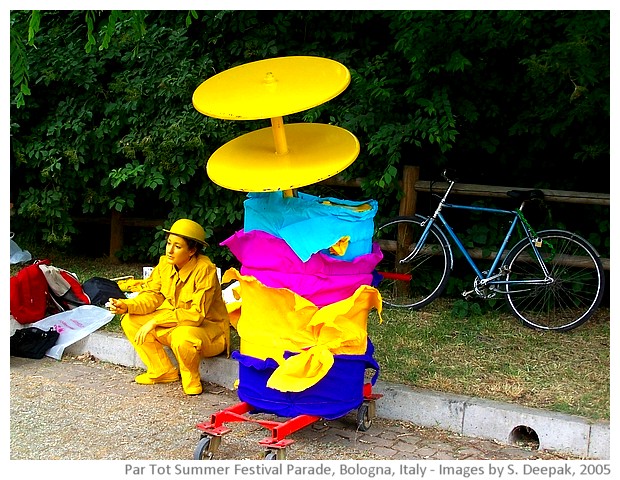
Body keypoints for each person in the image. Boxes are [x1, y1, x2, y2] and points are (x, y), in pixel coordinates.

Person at [108, 219, 229, 395]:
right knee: (130, 320)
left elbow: (196, 315)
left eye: (177, 246)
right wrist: (126, 305)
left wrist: (156, 321)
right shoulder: (165, 264)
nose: (170, 250)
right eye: (169, 243)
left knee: (183, 336)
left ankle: (191, 379)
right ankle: (162, 371)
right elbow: (153, 295)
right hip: (176, 322)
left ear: (192, 250)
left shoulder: (205, 269)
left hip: (209, 331)